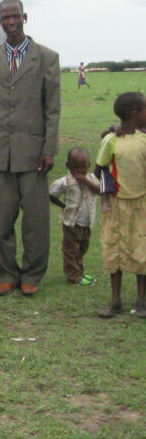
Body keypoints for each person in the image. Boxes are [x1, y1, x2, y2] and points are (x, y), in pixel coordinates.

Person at [0, 0, 61, 296]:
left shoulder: (47, 57)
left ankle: (32, 276)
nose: (11, 22)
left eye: (15, 16)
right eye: (5, 18)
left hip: (34, 151)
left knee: (36, 221)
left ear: (24, 17)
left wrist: (49, 148)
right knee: (0, 218)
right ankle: (6, 274)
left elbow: (52, 108)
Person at [94, 92, 146, 318]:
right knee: (113, 248)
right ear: (136, 113)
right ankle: (116, 301)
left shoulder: (144, 138)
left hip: (142, 203)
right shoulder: (111, 140)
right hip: (115, 204)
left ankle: (141, 302)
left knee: (141, 250)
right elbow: (99, 169)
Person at [49, 147, 99, 286]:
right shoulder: (64, 182)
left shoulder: (92, 178)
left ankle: (80, 272)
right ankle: (73, 277)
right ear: (68, 165)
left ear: (89, 166)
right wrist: (63, 206)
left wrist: (86, 181)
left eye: (83, 167)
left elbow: (100, 191)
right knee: (71, 250)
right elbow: (52, 195)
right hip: (72, 223)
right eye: (75, 167)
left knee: (82, 249)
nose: (79, 171)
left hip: (87, 223)